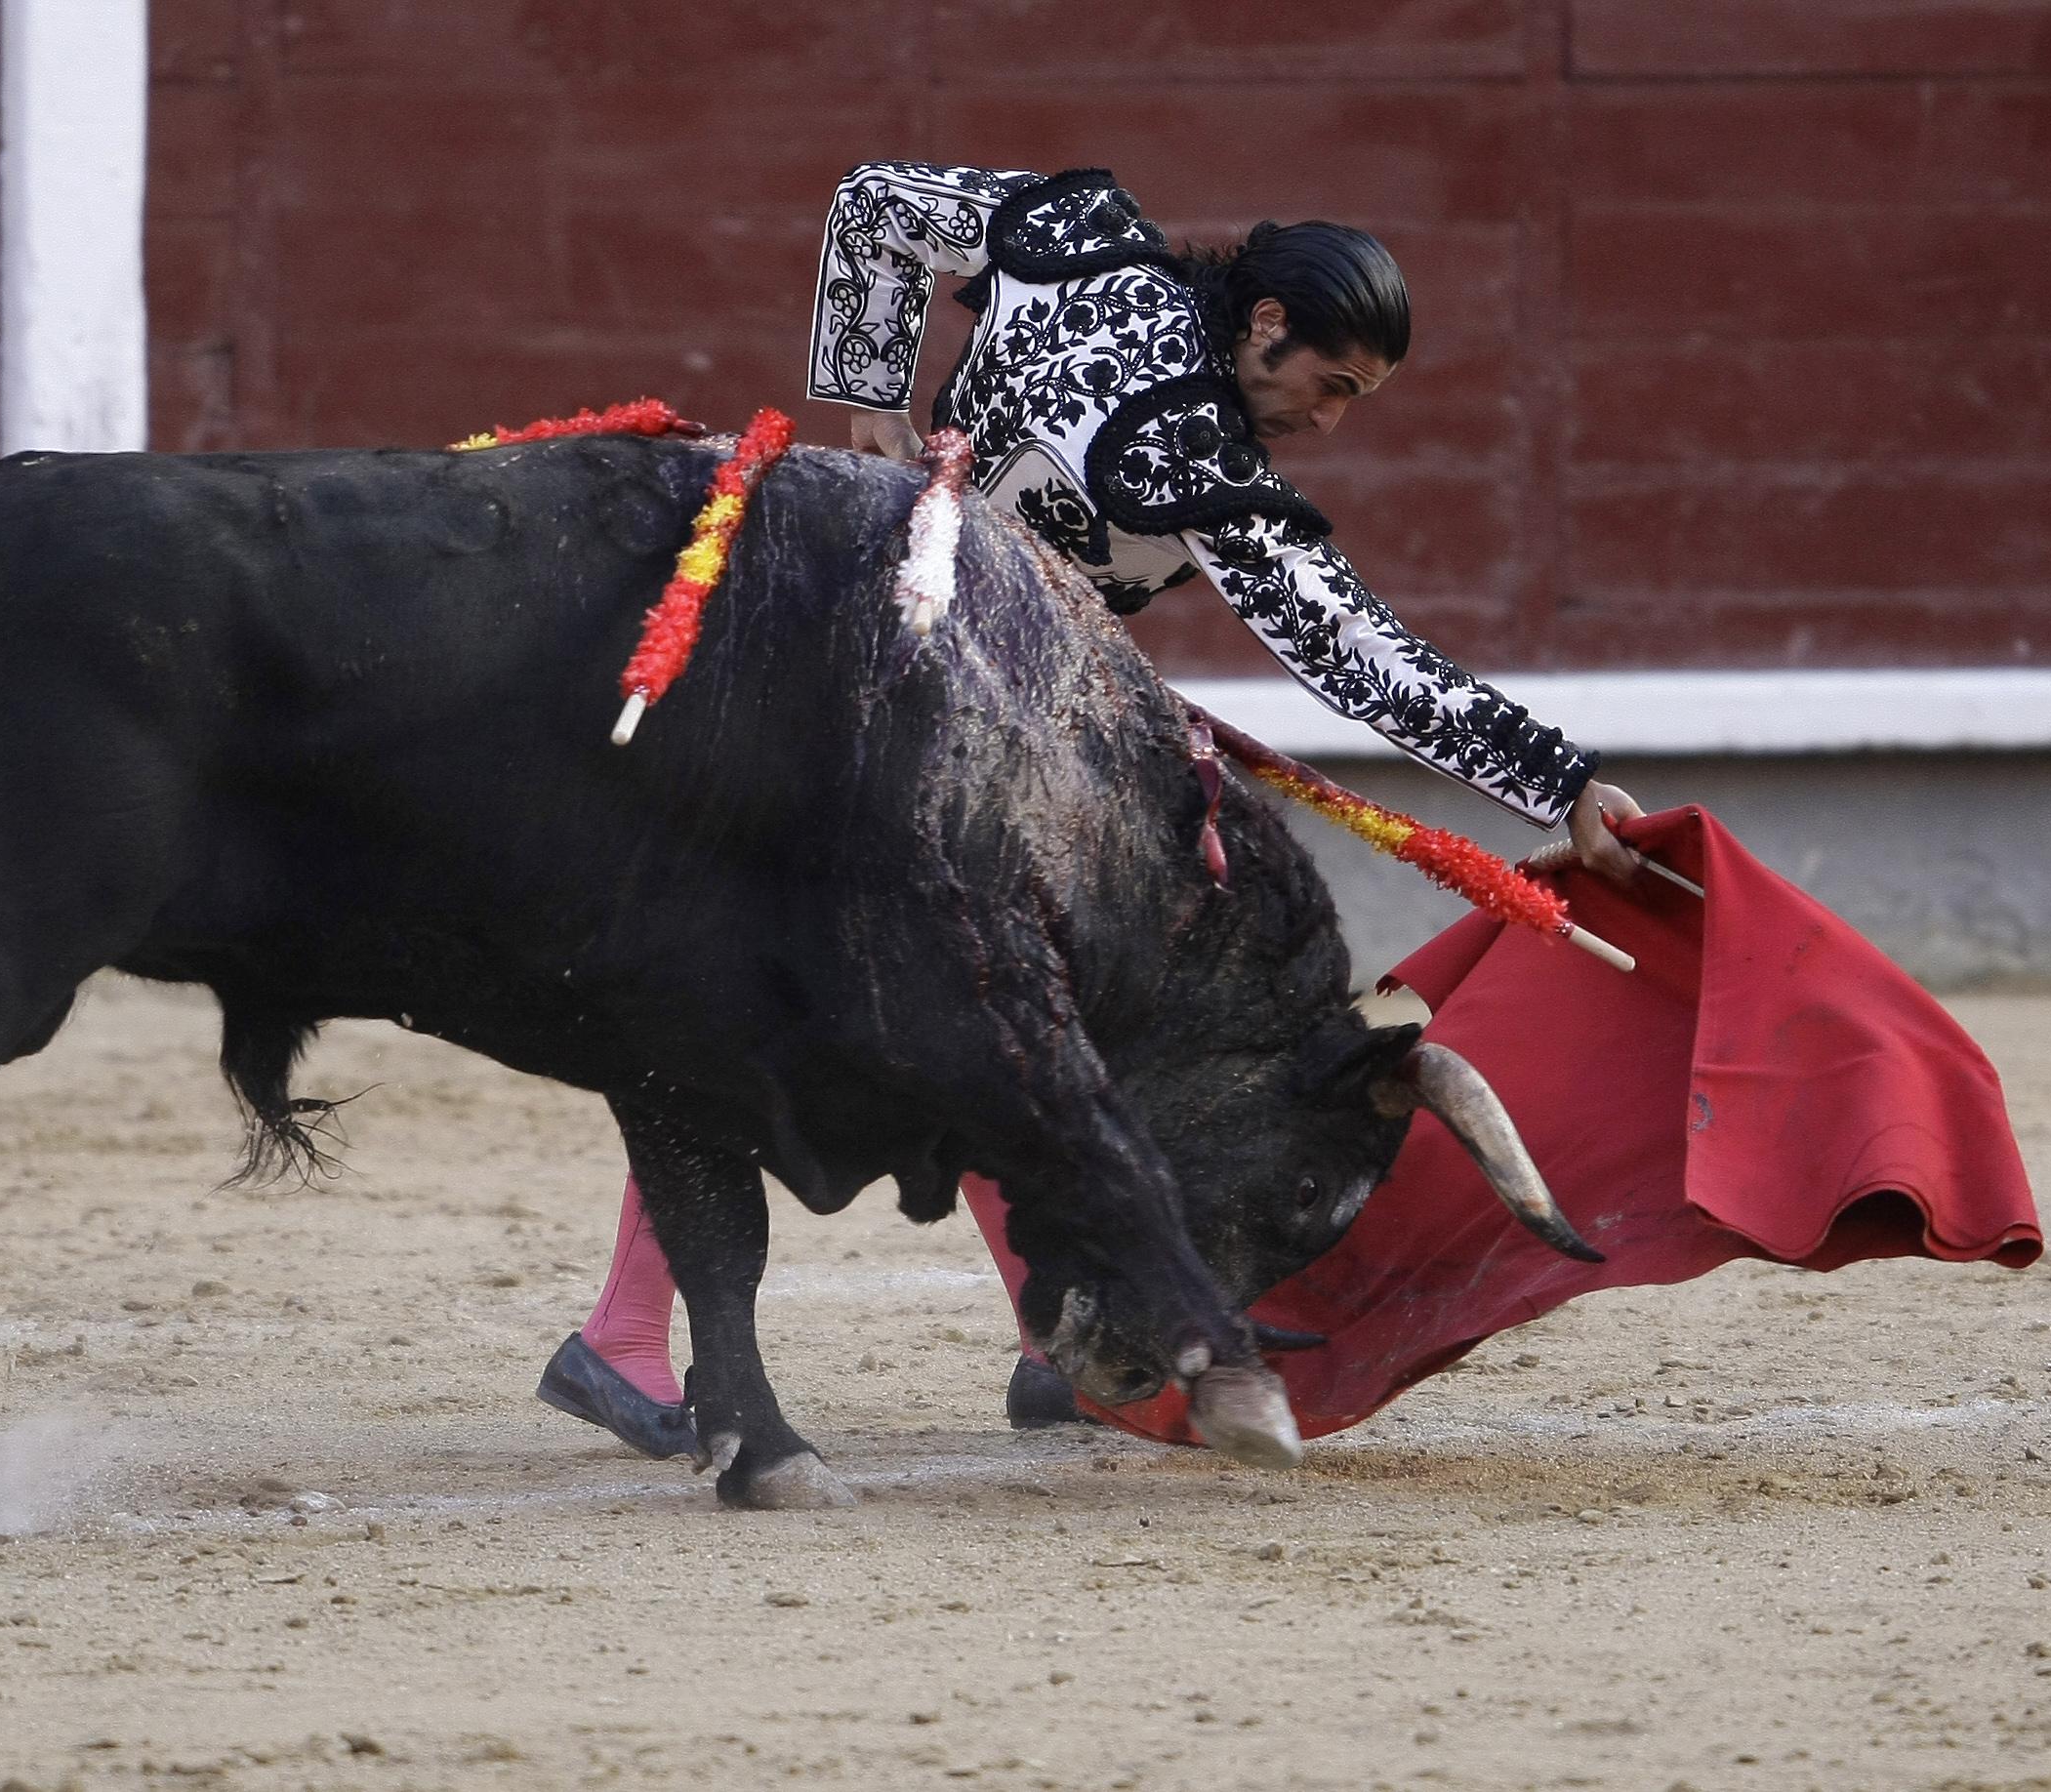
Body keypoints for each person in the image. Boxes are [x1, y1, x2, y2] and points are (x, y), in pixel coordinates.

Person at [536, 161, 1647, 1458]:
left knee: (1011, 999)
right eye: (1328, 387)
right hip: (899, 721)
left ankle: (1037, 1343)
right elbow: (1354, 654)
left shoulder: (1080, 237)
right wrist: (1555, 779)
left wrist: (865, 399)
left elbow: (876, 202)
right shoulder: (1190, 449)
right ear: (1267, 327)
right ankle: (619, 1335)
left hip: (882, 665)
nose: (1330, 423)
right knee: (780, 1003)